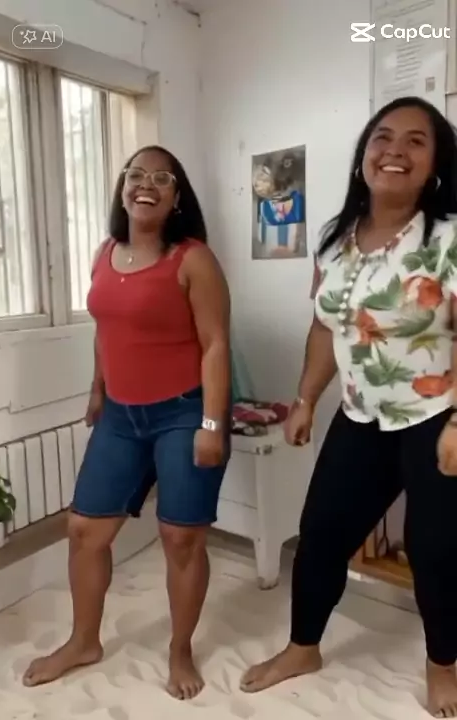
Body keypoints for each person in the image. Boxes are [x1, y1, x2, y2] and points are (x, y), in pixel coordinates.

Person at [240, 97, 457, 718]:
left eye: (416, 141)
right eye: (383, 137)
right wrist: (306, 398)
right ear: (364, 153)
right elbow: (323, 326)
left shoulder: (448, 238)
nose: (395, 150)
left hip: (434, 416)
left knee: (436, 550)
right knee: (321, 536)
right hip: (360, 415)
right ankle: (302, 647)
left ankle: (443, 664)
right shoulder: (335, 241)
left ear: (435, 164)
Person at [23, 146, 231, 700]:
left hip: (184, 411)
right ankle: (83, 641)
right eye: (136, 175)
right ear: (122, 188)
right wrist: (97, 388)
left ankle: (180, 649)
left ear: (176, 196)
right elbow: (106, 329)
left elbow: (216, 344)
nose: (146, 185)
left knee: (180, 538)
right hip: (119, 414)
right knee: (84, 531)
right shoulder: (104, 253)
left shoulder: (193, 259)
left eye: (161, 178)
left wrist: (212, 424)